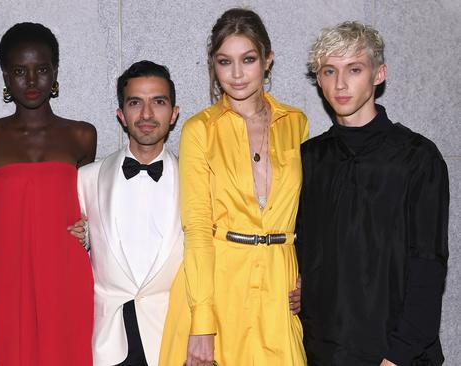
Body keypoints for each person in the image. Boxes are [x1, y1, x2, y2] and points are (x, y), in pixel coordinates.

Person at [159, 8, 306, 366]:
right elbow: (196, 229)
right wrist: (202, 323)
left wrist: (307, 276)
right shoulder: (200, 130)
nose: (237, 74)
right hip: (218, 288)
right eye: (225, 62)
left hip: (279, 288)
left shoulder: (297, 123)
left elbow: (309, 214)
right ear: (214, 65)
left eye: (249, 59)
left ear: (267, 61)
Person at [298, 21, 449, 366]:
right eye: (329, 71)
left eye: (354, 69)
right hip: (320, 353)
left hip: (397, 356)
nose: (340, 83)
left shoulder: (418, 157)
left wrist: (397, 356)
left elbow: (429, 265)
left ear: (378, 74)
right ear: (319, 79)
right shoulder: (307, 158)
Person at [0, 22, 96, 366]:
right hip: (8, 277)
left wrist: (91, 231)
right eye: (19, 71)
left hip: (66, 275)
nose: (31, 82)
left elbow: (91, 205)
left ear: (55, 72)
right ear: (5, 76)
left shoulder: (81, 136)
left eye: (41, 69)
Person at [77, 60, 183, 366]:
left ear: (174, 113)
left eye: (158, 102)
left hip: (171, 338)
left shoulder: (197, 181)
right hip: (109, 340)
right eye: (136, 102)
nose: (147, 114)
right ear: (121, 115)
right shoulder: (86, 179)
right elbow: (58, 241)